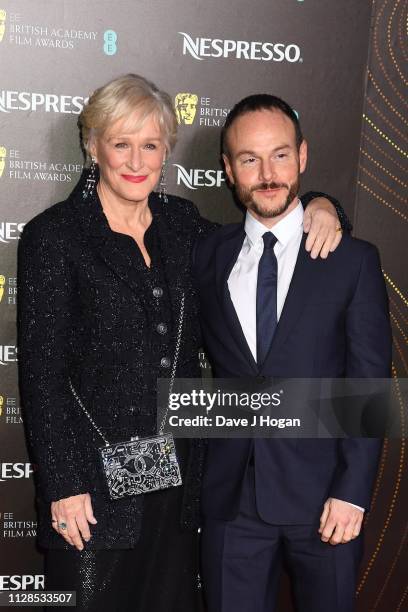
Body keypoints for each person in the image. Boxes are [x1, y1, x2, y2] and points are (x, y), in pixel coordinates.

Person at [18, 75, 346, 612]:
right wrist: (63, 484)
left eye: (150, 145)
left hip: (179, 489)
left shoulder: (182, 224)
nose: (136, 160)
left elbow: (269, 224)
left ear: (166, 150)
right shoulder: (55, 236)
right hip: (93, 493)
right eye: (121, 143)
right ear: (93, 145)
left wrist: (323, 205)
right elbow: (42, 372)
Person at [193, 94, 392, 612]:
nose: (267, 173)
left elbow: (369, 385)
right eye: (249, 159)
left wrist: (352, 491)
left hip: (325, 501)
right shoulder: (206, 253)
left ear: (302, 156)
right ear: (228, 169)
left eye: (280, 155)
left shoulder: (352, 261)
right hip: (230, 501)